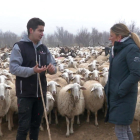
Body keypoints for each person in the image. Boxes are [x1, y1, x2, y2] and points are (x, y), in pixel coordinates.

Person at [10, 17, 57, 140]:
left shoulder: (44, 49)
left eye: (43, 31)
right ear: (31, 30)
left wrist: (52, 69)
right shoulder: (19, 47)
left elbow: (54, 66)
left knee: (36, 125)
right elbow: (13, 68)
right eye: (40, 30)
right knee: (23, 127)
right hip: (25, 94)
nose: (42, 34)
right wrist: (32, 70)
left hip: (40, 94)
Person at [105, 23, 140, 140]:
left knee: (120, 131)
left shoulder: (131, 49)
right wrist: (108, 87)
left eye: (111, 35)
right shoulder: (118, 50)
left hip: (124, 96)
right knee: (125, 129)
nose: (109, 38)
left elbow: (136, 73)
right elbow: (117, 73)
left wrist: (120, 90)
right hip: (119, 95)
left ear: (119, 36)